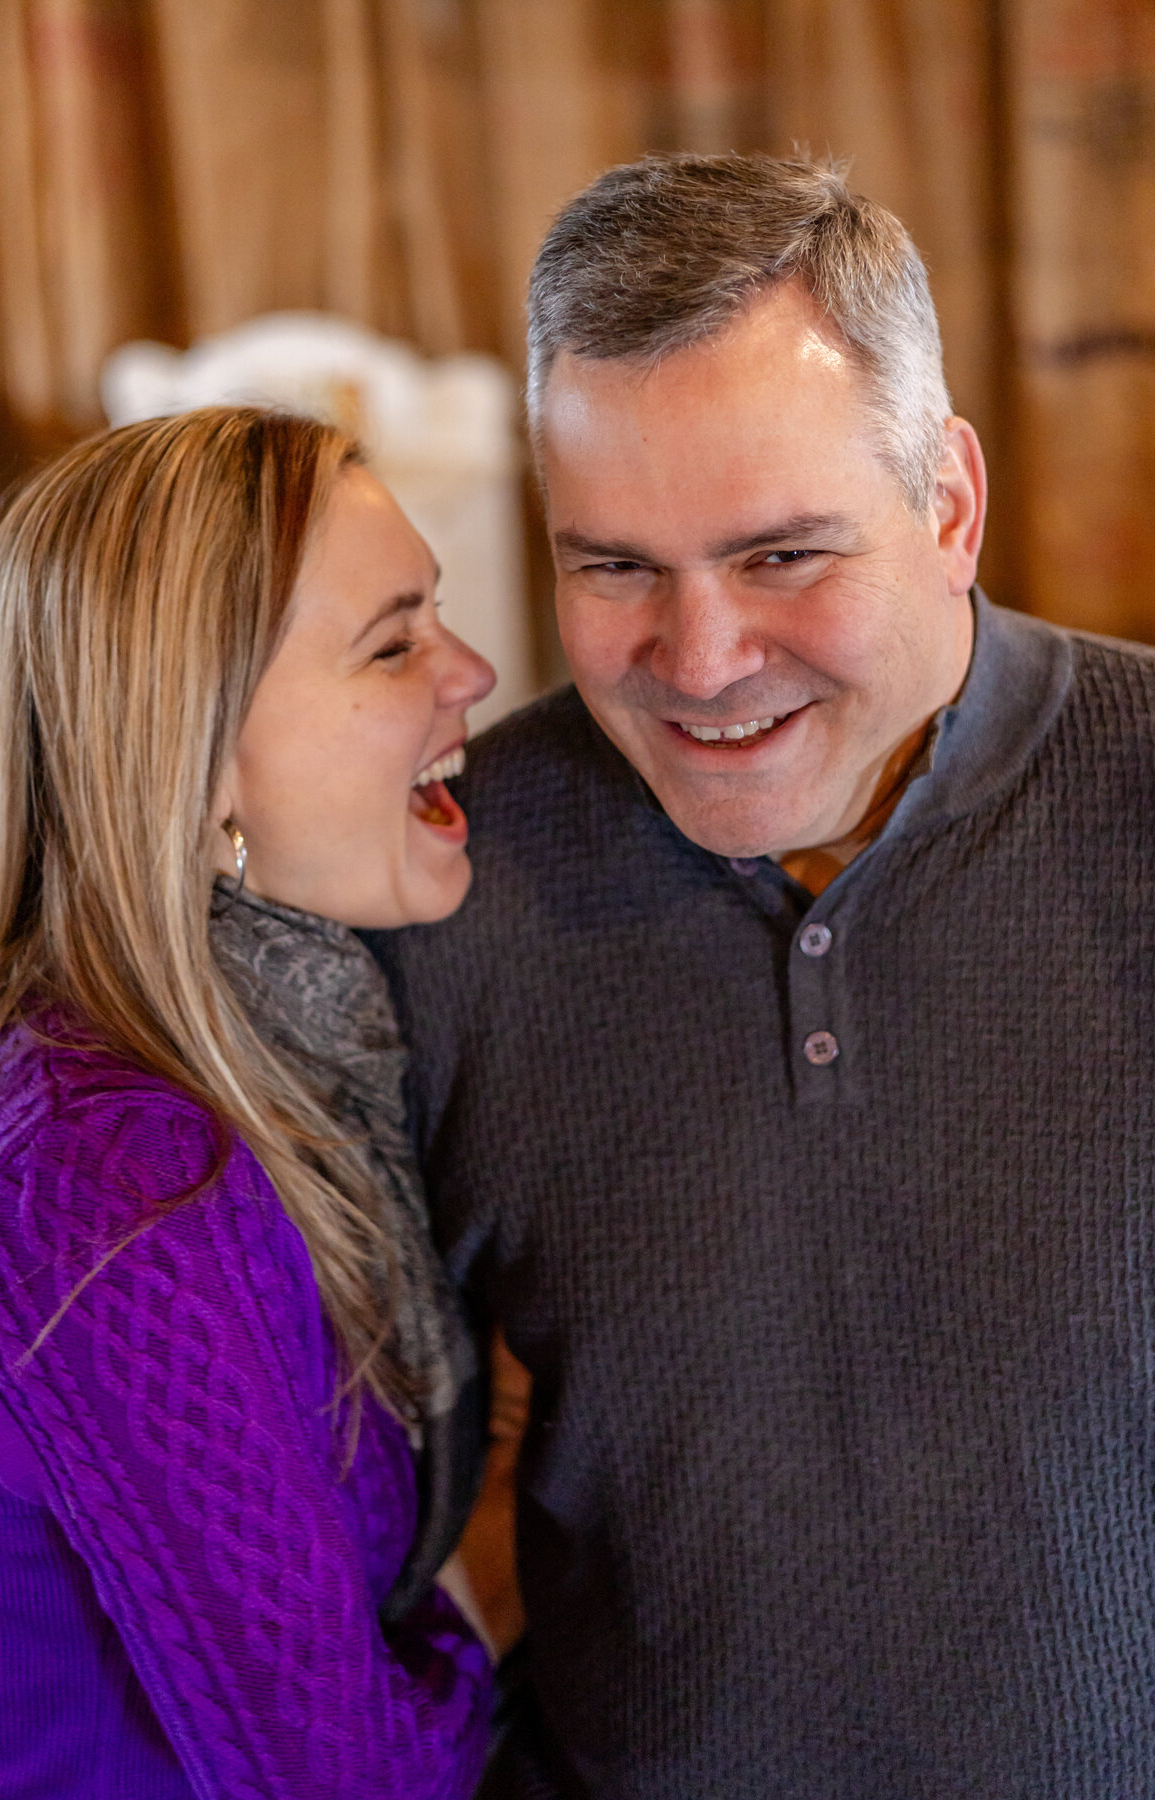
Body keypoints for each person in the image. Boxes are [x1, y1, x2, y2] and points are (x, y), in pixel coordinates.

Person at [369, 153, 1155, 1798]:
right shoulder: (442, 872)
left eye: (784, 556)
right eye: (614, 567)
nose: (702, 661)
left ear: (948, 505)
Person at [0, 406, 498, 1797]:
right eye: (394, 643)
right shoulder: (111, 1171)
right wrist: (500, 1586)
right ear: (198, 777)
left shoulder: (239, 1056)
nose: (476, 673)